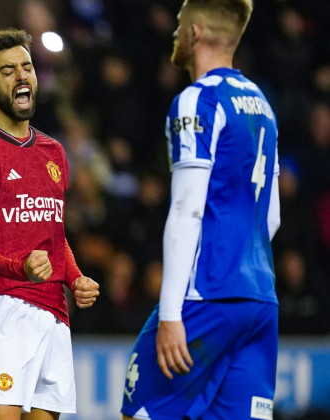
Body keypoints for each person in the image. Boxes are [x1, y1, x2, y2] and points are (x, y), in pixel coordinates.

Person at [120, 1, 281, 419]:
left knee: (139, 411)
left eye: (178, 23)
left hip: (206, 295)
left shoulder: (197, 101)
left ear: (194, 32)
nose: (174, 32)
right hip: (260, 299)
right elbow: (271, 217)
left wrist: (172, 312)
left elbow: (187, 210)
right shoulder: (262, 105)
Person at [0, 28, 100, 420]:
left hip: (55, 315)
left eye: (27, 68)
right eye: (8, 71)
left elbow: (53, 232)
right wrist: (22, 268)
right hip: (2, 310)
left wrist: (75, 277)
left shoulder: (53, 151)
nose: (21, 77)